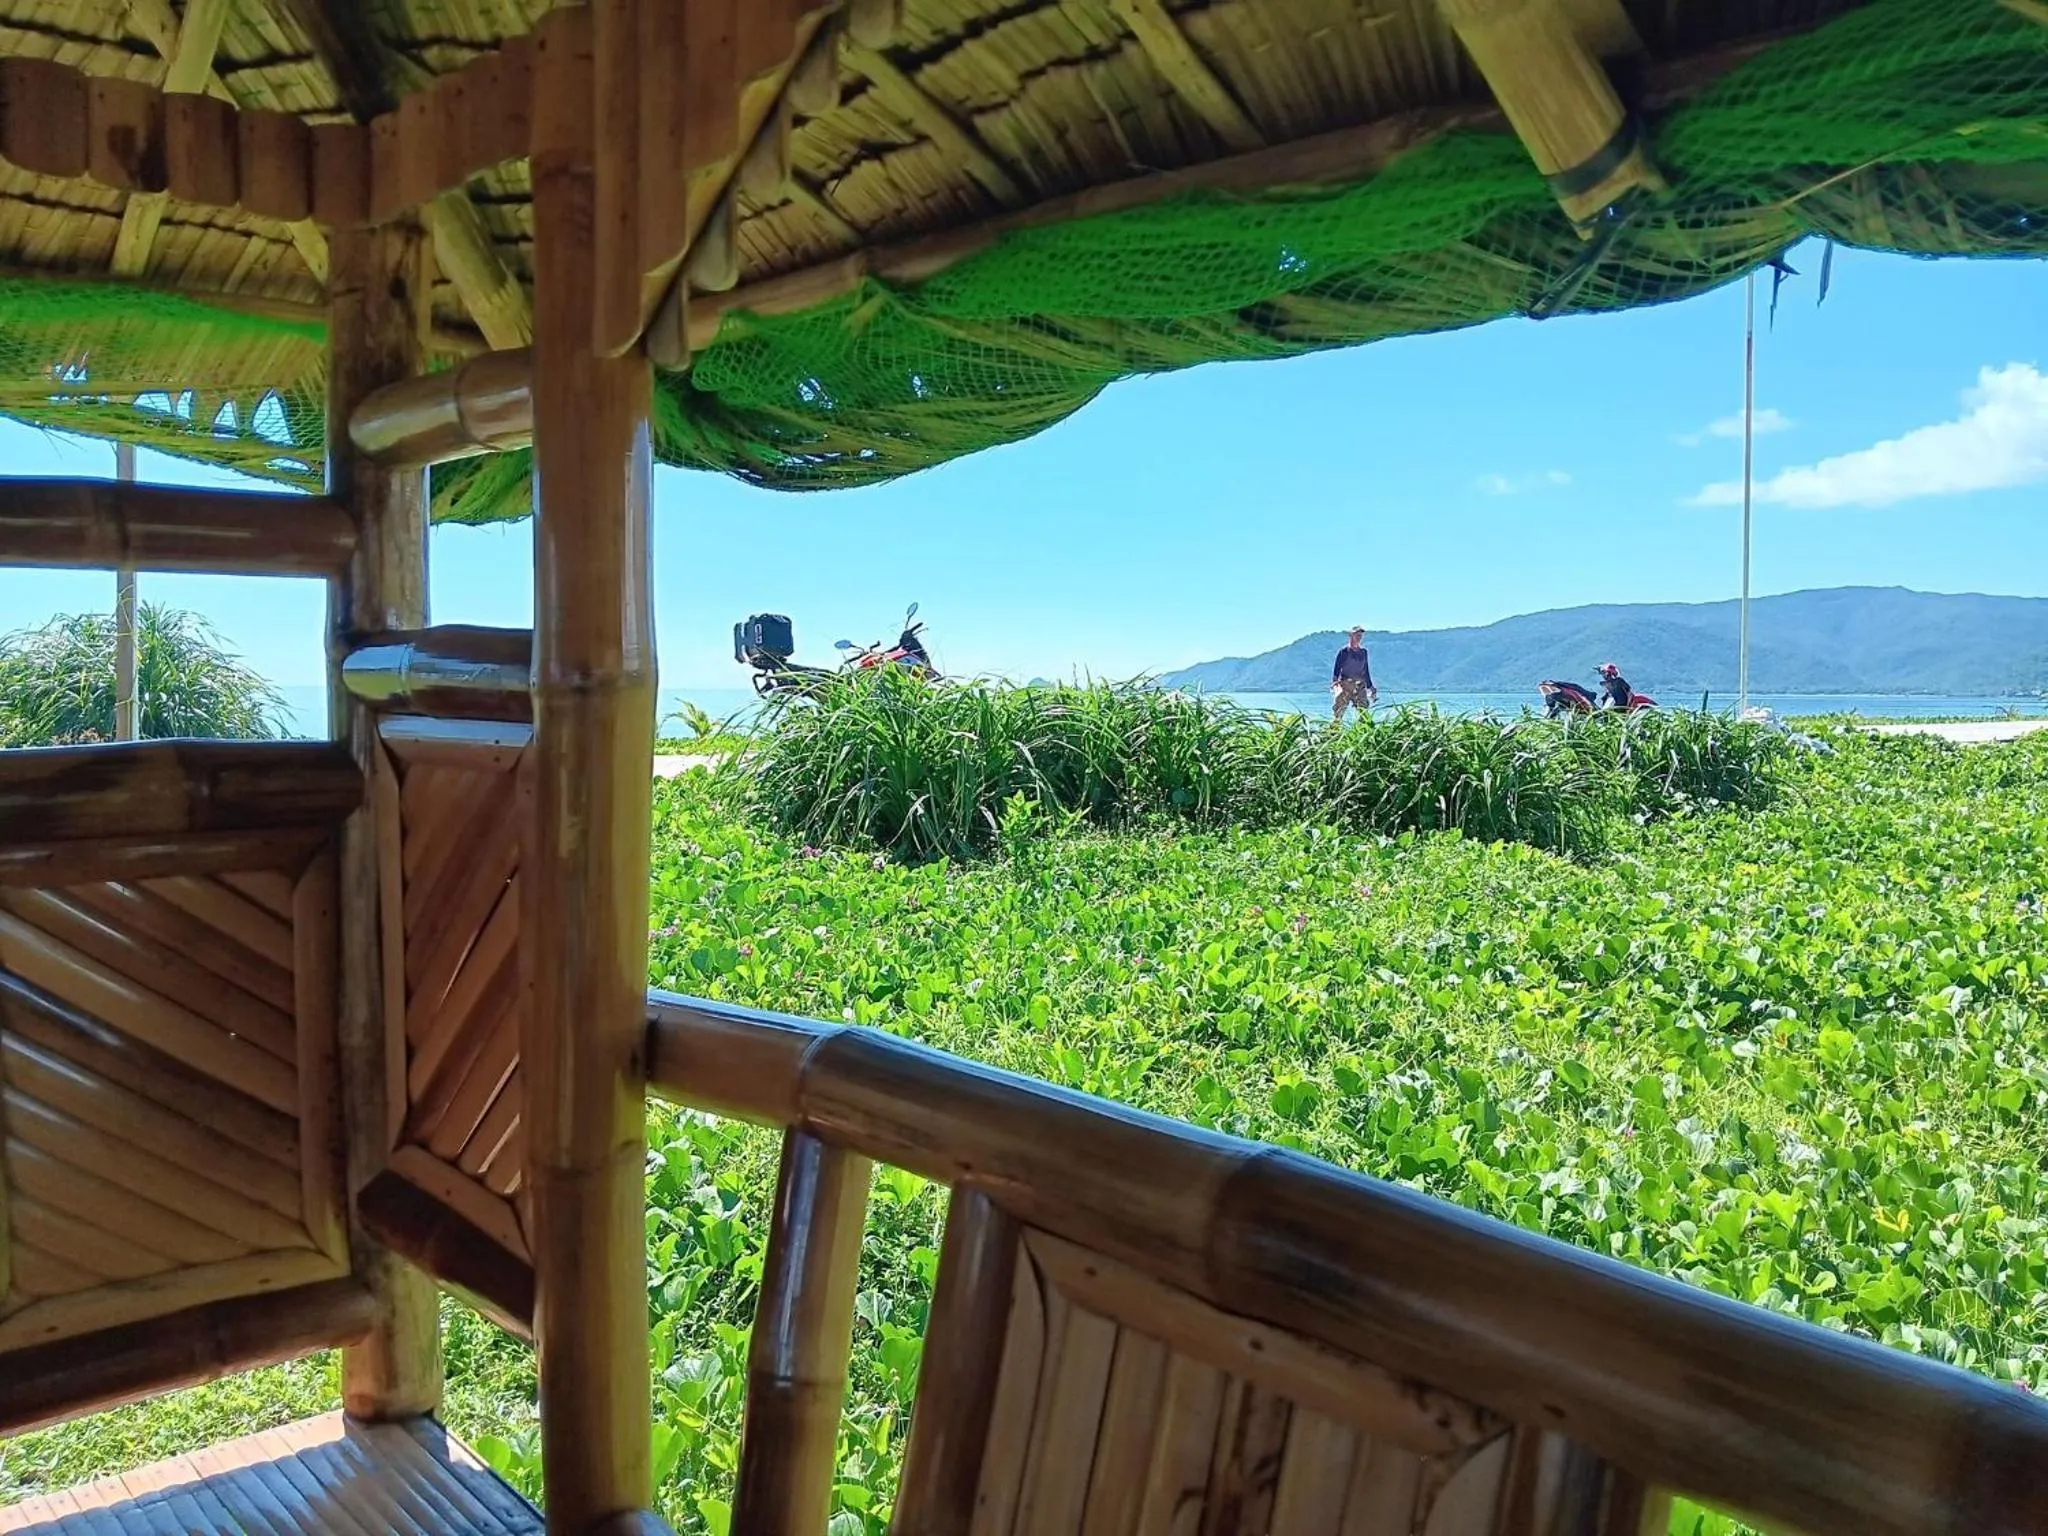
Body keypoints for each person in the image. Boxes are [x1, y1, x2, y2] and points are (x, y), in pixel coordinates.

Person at [1332, 625, 1377, 722]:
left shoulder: (1363, 652)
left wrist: (1370, 686)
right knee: (1338, 713)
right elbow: (1336, 670)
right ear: (1351, 635)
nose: (1359, 638)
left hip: (1360, 686)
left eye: (1360, 636)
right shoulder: (1344, 652)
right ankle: (1335, 730)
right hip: (1346, 685)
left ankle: (1363, 729)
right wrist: (1335, 685)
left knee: (1364, 713)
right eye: (1357, 635)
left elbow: (1365, 671)